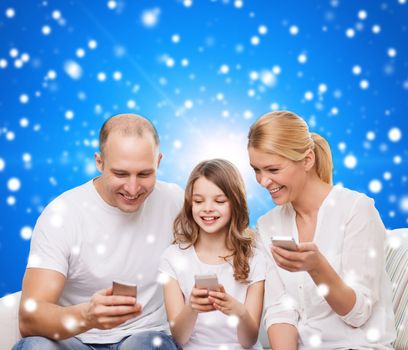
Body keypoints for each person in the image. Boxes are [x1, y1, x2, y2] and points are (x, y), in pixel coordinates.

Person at [13, 114, 184, 350]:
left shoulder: (175, 201)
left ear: (159, 162)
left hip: (144, 337)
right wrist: (87, 316)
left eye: (144, 174)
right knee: (34, 347)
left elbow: (228, 241)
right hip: (75, 340)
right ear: (99, 162)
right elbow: (30, 318)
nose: (133, 189)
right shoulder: (62, 215)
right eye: (121, 174)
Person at [248, 110, 396, 349]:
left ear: (307, 160)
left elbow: (358, 314)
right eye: (256, 170)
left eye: (273, 170)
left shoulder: (356, 210)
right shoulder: (268, 226)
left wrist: (317, 268)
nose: (263, 181)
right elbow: (280, 312)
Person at [158, 159, 298, 349]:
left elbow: (248, 341)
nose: (207, 208)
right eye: (198, 201)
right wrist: (192, 307)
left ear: (235, 204)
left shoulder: (254, 259)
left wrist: (238, 311)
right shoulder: (173, 257)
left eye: (220, 201)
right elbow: (180, 338)